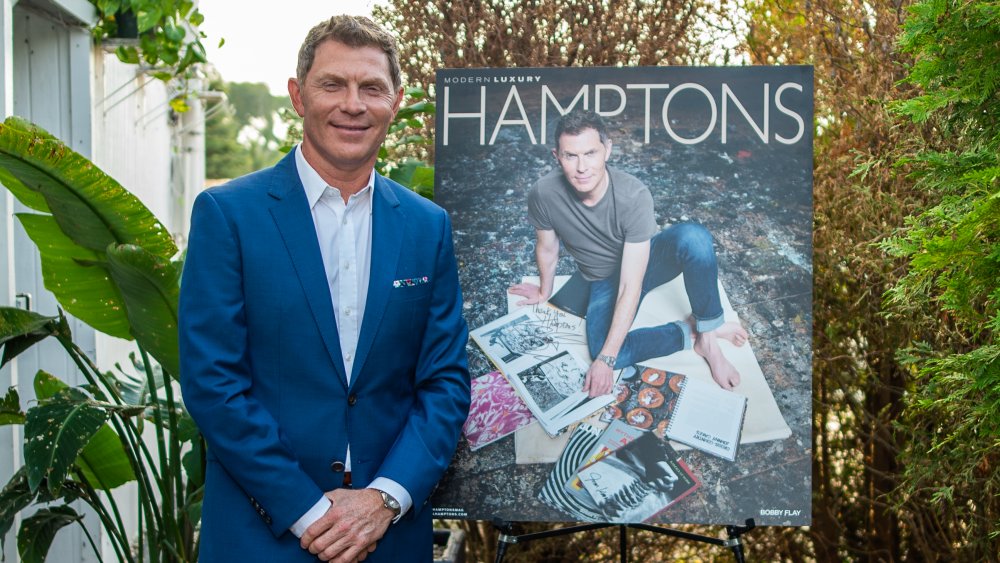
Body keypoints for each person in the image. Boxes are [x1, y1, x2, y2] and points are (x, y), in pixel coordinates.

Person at [179, 15, 470, 563]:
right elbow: (214, 383)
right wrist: (313, 515)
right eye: (332, 84)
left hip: (389, 536)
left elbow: (445, 382)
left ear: (396, 101)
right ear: (298, 95)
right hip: (261, 534)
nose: (352, 104)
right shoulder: (228, 215)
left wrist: (384, 500)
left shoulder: (427, 225)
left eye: (372, 88)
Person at [509, 109, 747, 397]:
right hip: (600, 277)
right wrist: (544, 292)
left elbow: (630, 284)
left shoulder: (633, 195)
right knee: (608, 351)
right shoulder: (543, 193)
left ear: (607, 150)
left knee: (695, 239)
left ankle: (708, 338)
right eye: (571, 156)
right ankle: (689, 333)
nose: (582, 167)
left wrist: (605, 363)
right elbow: (547, 248)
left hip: (642, 262)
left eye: (590, 153)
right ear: (556, 156)